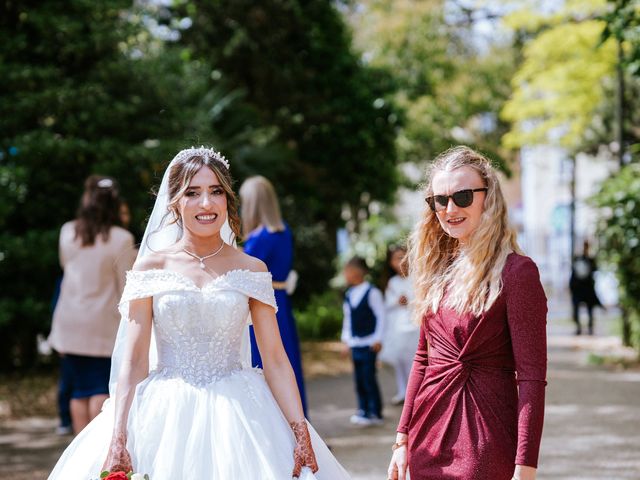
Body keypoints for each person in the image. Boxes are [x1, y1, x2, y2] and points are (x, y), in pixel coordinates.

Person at [48, 147, 350, 480]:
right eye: (193, 193)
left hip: (242, 413)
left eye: (216, 191)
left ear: (227, 199)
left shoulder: (252, 269)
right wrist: (119, 435)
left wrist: (299, 429)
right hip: (164, 413)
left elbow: (276, 359)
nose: (206, 203)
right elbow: (133, 360)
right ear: (174, 201)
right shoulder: (150, 267)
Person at [387, 146, 547, 480]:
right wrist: (401, 438)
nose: (450, 209)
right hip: (426, 437)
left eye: (462, 196)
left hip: (484, 439)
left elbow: (531, 377)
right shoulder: (437, 269)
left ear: (487, 198)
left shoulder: (517, 273)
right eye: (439, 200)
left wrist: (525, 468)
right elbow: (423, 359)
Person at [48, 175, 135, 434]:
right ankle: (95, 457)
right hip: (103, 324)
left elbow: (66, 268)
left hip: (69, 320)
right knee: (100, 388)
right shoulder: (122, 239)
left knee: (79, 391)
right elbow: (126, 287)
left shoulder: (67, 231)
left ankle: (78, 452)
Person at [239, 175, 307, 414]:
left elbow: (242, 268)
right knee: (287, 360)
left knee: (265, 362)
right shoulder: (283, 231)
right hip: (282, 302)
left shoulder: (260, 237)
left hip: (263, 303)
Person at [341, 256, 385, 426]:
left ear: (358, 272)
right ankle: (363, 410)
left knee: (369, 377)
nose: (345, 274)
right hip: (355, 344)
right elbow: (348, 319)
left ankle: (375, 411)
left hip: (369, 343)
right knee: (358, 378)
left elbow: (381, 316)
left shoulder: (372, 292)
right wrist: (346, 341)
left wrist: (378, 338)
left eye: (348, 270)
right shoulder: (349, 294)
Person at [379, 245, 418, 405]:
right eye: (396, 258)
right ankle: (403, 390)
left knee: (413, 360)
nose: (401, 261)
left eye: (403, 256)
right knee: (399, 360)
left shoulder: (417, 277)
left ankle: (414, 391)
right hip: (398, 326)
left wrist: (410, 301)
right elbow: (386, 305)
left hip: (415, 325)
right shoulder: (392, 282)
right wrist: (397, 301)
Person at [569, 240, 602, 335]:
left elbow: (595, 270)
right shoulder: (578, 258)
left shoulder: (591, 260)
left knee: (590, 309)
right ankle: (579, 328)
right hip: (578, 289)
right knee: (577, 309)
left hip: (587, 288)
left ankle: (590, 328)